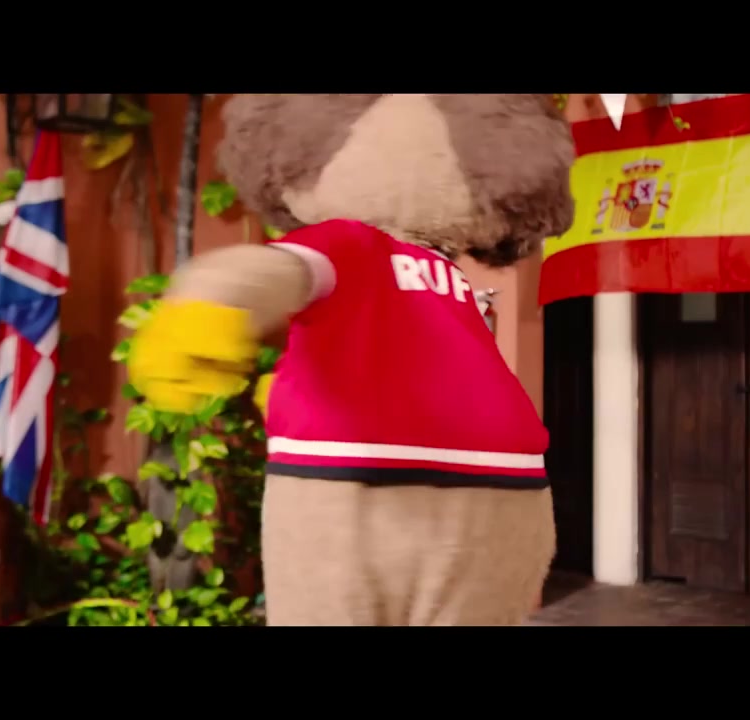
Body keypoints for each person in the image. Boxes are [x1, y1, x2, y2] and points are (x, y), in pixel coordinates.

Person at [128, 95, 574, 626]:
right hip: (383, 477)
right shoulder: (347, 242)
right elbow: (276, 273)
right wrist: (213, 302)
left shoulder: (447, 274)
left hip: (484, 484)